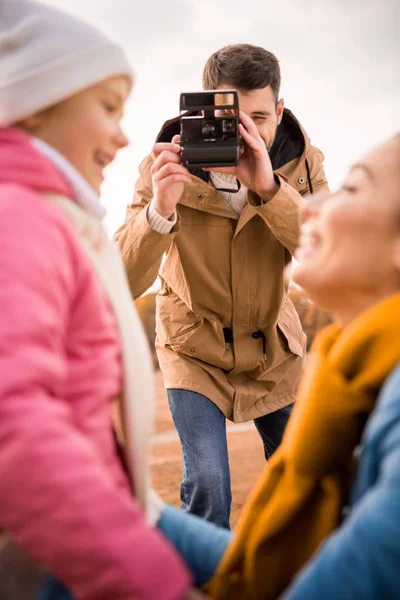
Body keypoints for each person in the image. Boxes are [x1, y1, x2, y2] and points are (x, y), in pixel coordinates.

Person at [0, 1, 203, 599]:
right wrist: (148, 581)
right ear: (34, 105)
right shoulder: (20, 217)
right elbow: (13, 422)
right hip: (64, 540)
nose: (122, 135)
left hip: (120, 500)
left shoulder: (55, 215)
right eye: (109, 108)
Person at [156, 134, 400, 600]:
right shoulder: (357, 371)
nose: (308, 207)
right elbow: (261, 566)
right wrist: (127, 509)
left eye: (351, 189)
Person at [115, 43, 329, 528]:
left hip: (274, 347)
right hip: (193, 346)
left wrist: (271, 191)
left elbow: (328, 253)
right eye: (234, 115)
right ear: (205, 109)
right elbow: (122, 278)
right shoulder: (162, 167)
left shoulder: (303, 165)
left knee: (305, 478)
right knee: (208, 484)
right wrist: (159, 213)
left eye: (260, 116)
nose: (248, 130)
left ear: (279, 109)